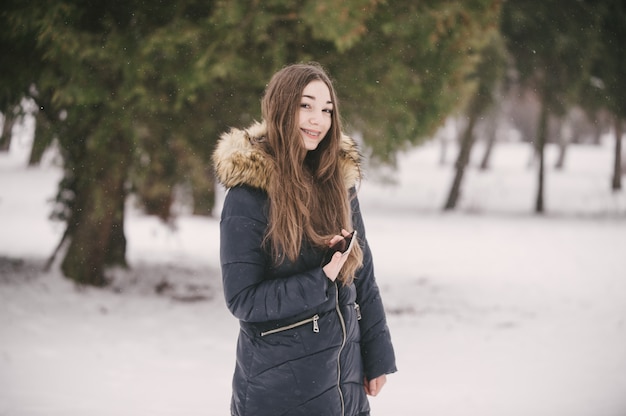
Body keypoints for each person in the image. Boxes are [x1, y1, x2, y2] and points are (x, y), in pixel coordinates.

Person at [213, 62, 397, 416]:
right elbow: (243, 299)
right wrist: (320, 278)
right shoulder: (248, 196)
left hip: (343, 384)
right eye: (306, 106)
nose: (318, 120)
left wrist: (377, 356)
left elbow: (363, 276)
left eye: (327, 110)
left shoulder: (337, 185)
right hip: (279, 390)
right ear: (280, 108)